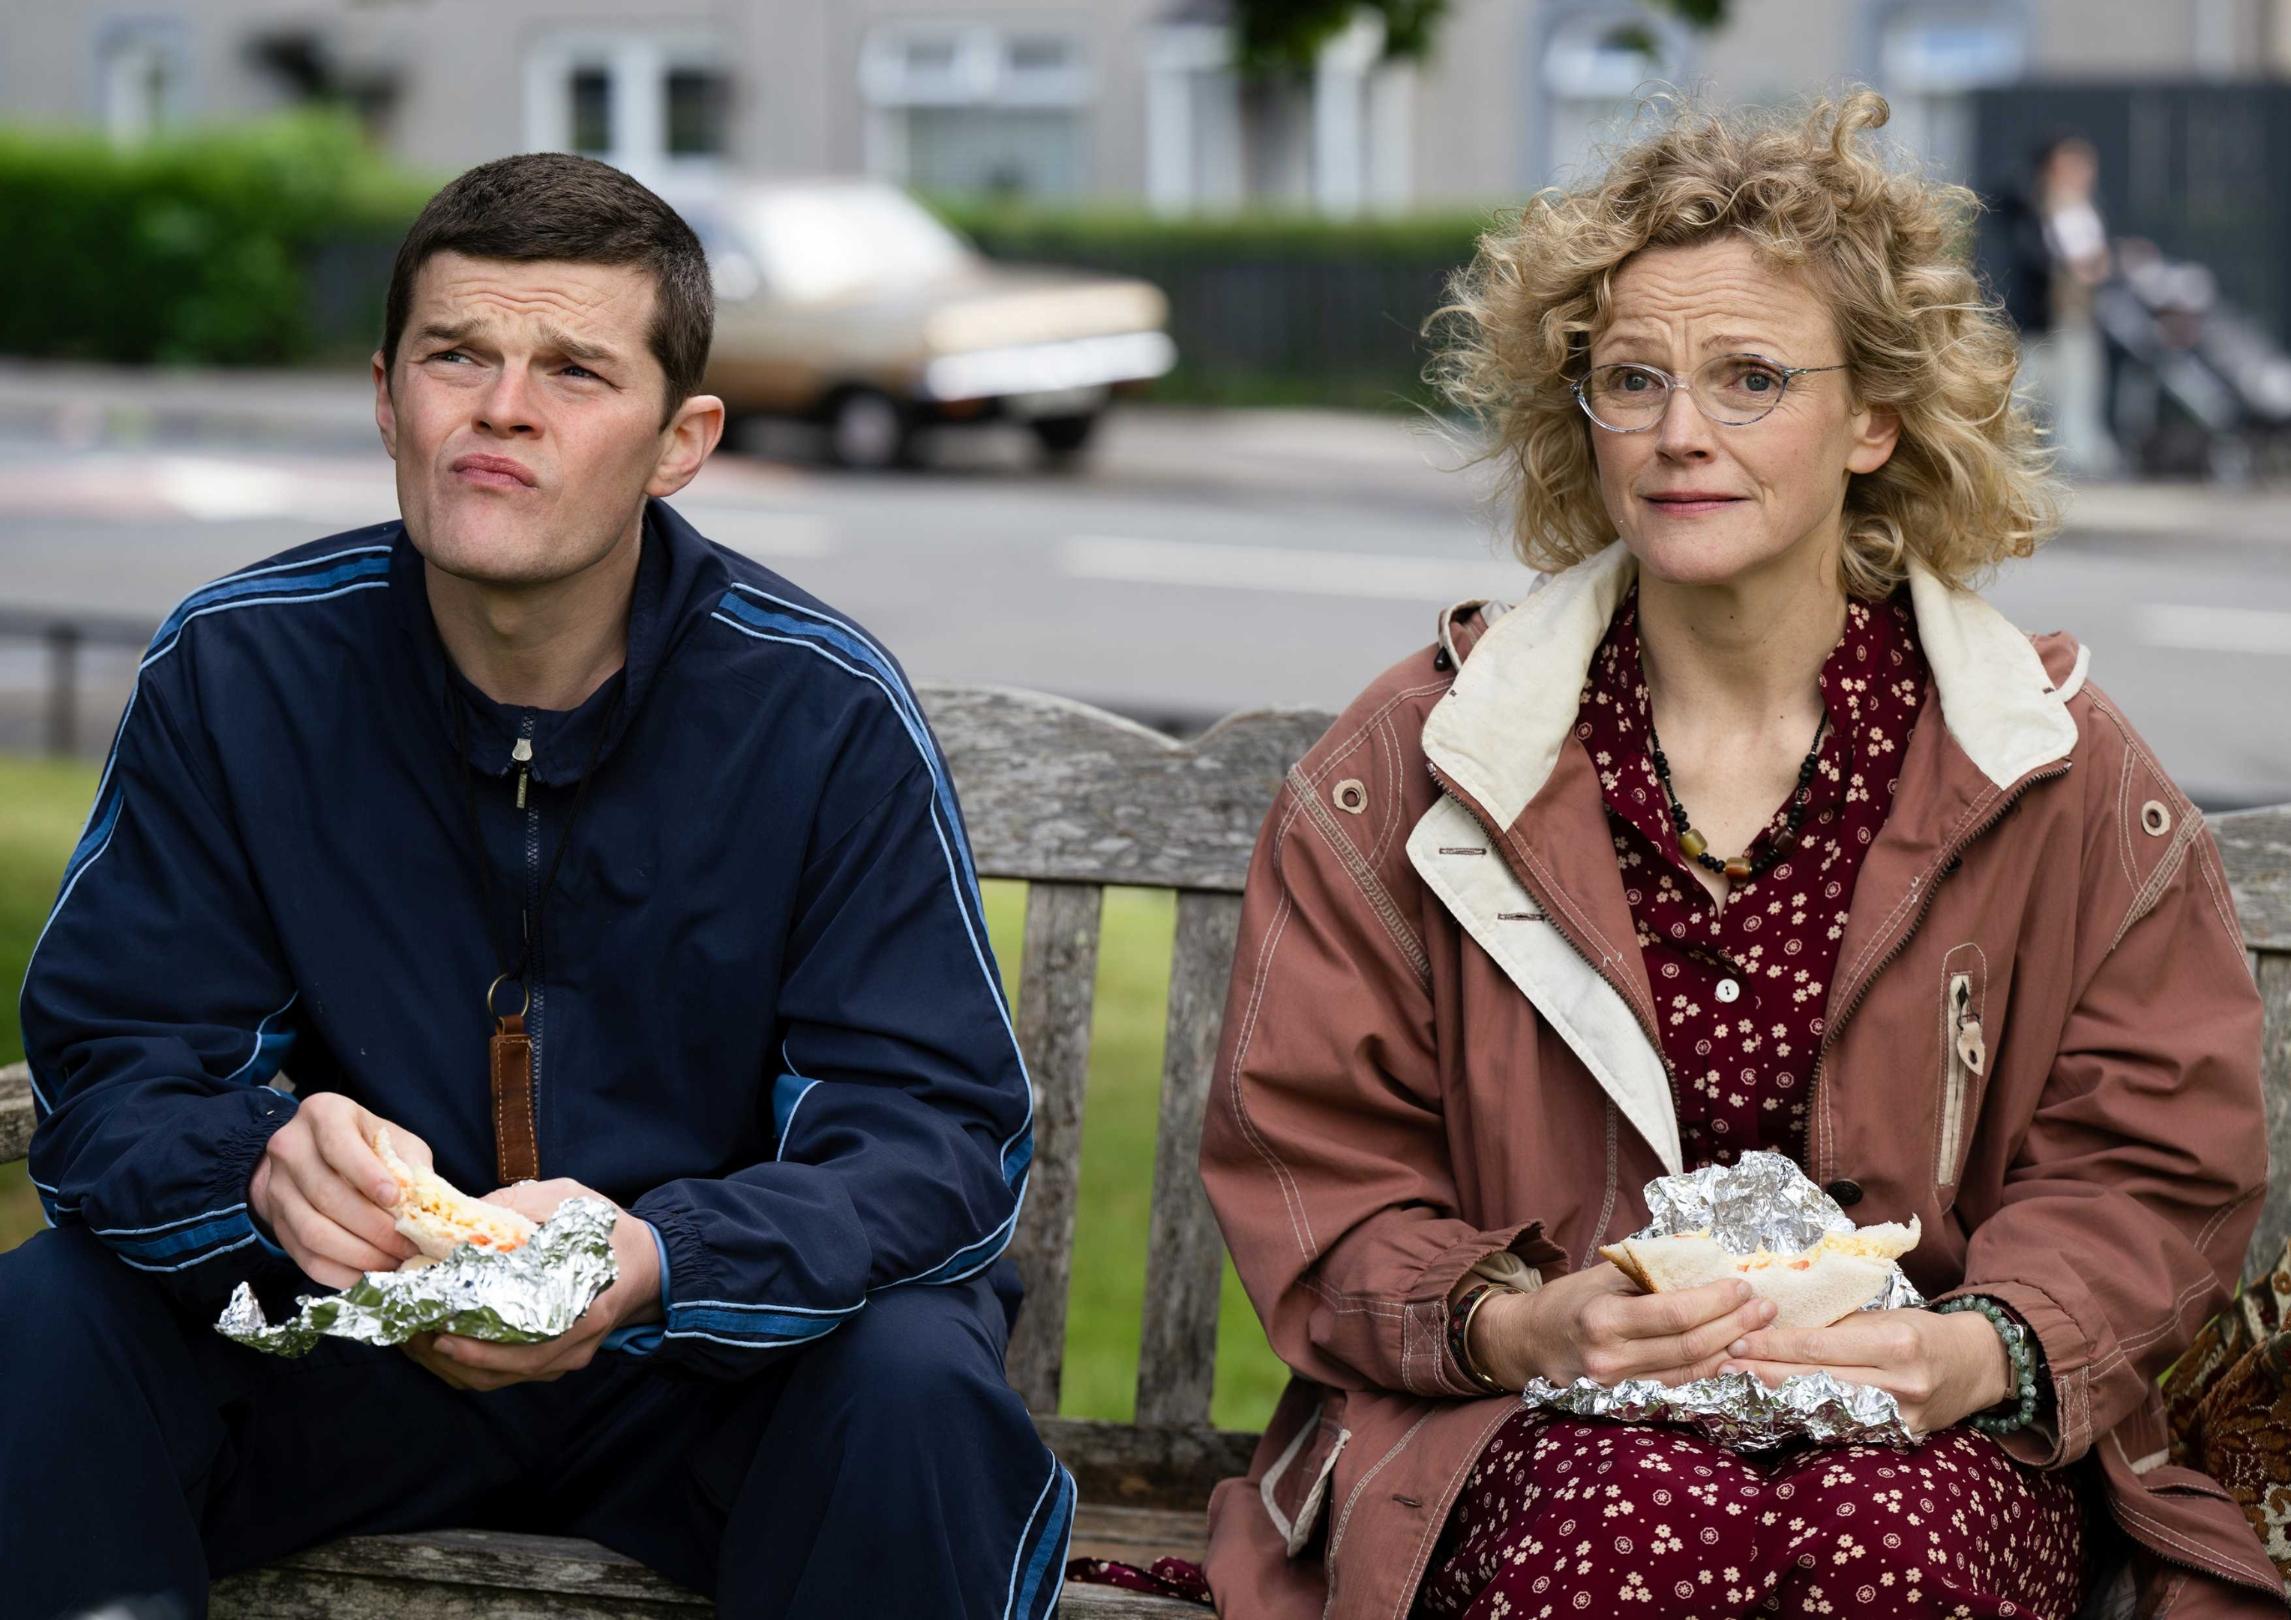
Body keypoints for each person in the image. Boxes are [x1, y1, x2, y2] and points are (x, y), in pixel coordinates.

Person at [1195, 92, 2279, 1619]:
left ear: (1874, 419)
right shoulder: (1417, 766)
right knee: (1636, 1529)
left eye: (1748, 378)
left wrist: (1979, 1345)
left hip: (1933, 1428)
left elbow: (2151, 1162)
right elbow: (1317, 1162)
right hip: (1530, 1427)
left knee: (1887, 1545)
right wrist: (1522, 1323)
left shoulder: (2044, 766)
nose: (1677, 433)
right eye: (1628, 379)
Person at [2, 152, 1074, 1620]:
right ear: (389, 398)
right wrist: (256, 1166)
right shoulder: (240, 672)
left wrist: (653, 1258)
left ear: (682, 438)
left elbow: (930, 1138)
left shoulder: (819, 714)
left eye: (574, 370)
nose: (501, 407)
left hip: (702, 1378)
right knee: (48, 1323)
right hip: (341, 1352)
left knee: (909, 1380)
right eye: (458, 355)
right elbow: (115, 1070)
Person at [2002, 132, 2120, 478]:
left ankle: (2076, 454)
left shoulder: (2083, 210)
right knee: (2027, 391)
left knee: (2076, 391)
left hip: (2075, 319)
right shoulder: (2036, 208)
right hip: (2043, 321)